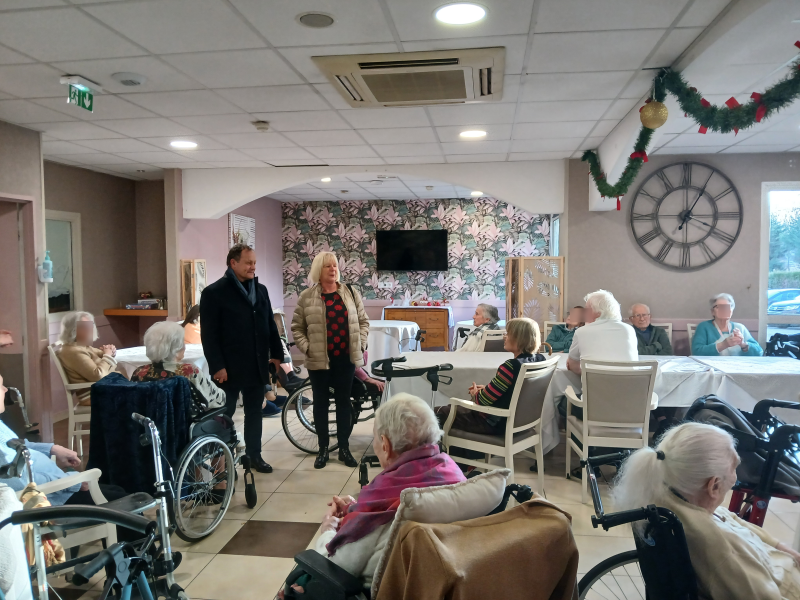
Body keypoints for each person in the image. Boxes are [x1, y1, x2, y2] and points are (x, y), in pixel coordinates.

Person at [283, 394, 465, 596]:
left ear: (385, 445)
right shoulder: (456, 477)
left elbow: (335, 565)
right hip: (448, 586)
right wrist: (356, 510)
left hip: (379, 590)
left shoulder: (389, 511)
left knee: (296, 584)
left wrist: (328, 529)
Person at [613, 422, 800, 599]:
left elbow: (729, 517)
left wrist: (779, 546)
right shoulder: (722, 547)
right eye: (734, 469)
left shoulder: (669, 500)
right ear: (714, 485)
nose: (735, 478)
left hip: (778, 562)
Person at [200, 244, 284, 474]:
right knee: (223, 415)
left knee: (254, 412)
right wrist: (217, 366)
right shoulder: (214, 292)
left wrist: (277, 355)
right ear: (233, 263)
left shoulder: (261, 290)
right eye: (248, 262)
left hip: (256, 362)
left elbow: (270, 325)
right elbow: (209, 335)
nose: (253, 267)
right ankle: (221, 462)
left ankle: (254, 456)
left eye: (254, 262)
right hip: (228, 367)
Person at [292, 251, 370, 470]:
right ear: (319, 270)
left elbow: (363, 322)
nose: (333, 269)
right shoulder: (307, 296)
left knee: (344, 403)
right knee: (321, 404)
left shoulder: (350, 293)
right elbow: (297, 328)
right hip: (319, 360)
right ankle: (323, 449)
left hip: (345, 359)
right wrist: (308, 348)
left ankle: (344, 448)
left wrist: (361, 344)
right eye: (328, 266)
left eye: (335, 265)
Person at [0, 373, 126, 506]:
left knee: (117, 490)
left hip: (57, 487)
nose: (5, 389)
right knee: (125, 502)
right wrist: (71, 481)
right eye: (1, 385)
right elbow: (20, 483)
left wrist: (52, 449)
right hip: (50, 499)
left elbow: (17, 444)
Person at [436, 318, 546, 438]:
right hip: (523, 423)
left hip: (495, 423)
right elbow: (518, 393)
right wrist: (487, 389)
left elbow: (481, 401)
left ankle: (441, 449)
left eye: (508, 334)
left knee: (437, 413)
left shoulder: (510, 367)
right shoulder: (540, 360)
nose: (504, 337)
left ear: (519, 339)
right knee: (451, 409)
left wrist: (475, 393)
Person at [131, 321, 226, 411]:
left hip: (150, 421)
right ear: (176, 349)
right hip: (185, 422)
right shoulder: (189, 371)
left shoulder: (139, 372)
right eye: (182, 343)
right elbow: (217, 399)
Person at [567, 290, 638, 375]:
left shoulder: (581, 332)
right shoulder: (629, 329)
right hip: (629, 382)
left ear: (596, 312)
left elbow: (572, 365)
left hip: (594, 383)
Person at [56, 312, 118, 406]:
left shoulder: (81, 345)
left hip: (105, 388)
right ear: (72, 330)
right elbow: (98, 375)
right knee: (138, 393)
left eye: (91, 325)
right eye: (84, 327)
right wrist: (107, 355)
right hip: (94, 395)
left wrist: (109, 351)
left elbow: (100, 354)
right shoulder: (74, 352)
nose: (90, 330)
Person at [692, 293, 763, 356]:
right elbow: (696, 352)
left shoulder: (740, 327)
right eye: (719, 307)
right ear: (712, 311)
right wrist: (723, 345)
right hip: (712, 366)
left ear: (732, 311)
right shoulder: (704, 327)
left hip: (737, 365)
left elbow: (759, 352)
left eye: (727, 307)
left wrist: (743, 344)